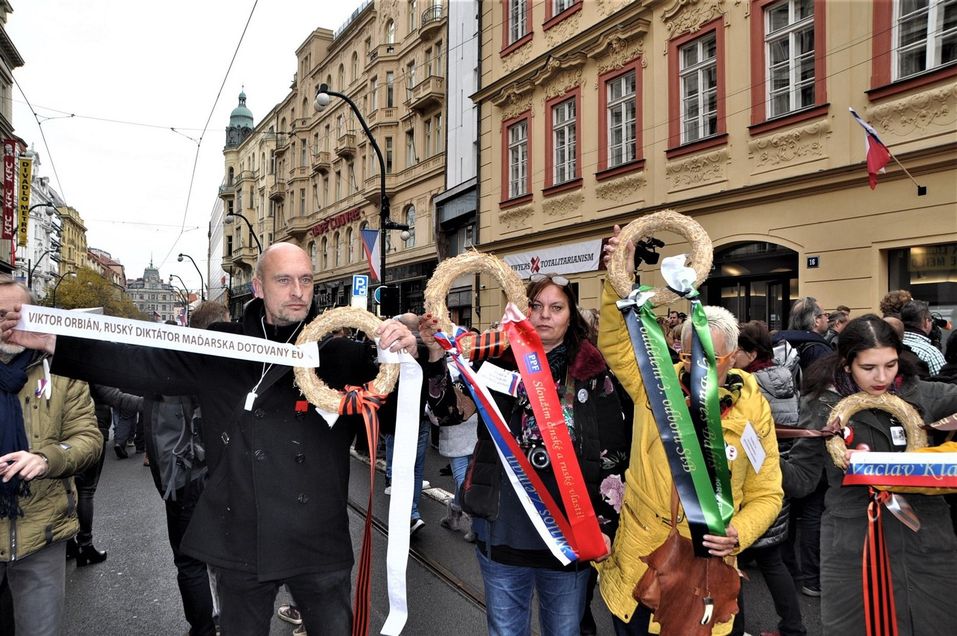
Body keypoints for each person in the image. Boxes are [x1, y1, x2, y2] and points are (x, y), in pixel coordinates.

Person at [0, 243, 416, 636]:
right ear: (258, 287)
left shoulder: (340, 354)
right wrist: (55, 342)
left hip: (318, 542)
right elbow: (140, 364)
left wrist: (414, 357)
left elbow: (393, 417)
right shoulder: (223, 345)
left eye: (306, 280)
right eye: (284, 280)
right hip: (240, 539)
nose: (298, 292)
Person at [421, 272, 633, 636]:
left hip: (570, 526)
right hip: (504, 524)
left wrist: (604, 524)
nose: (545, 315)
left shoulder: (591, 370)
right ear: (522, 310)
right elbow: (447, 414)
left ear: (571, 315)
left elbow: (614, 453)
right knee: (506, 631)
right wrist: (437, 357)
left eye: (556, 307)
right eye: (535, 306)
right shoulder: (495, 361)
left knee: (564, 630)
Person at [596, 228, 783, 635]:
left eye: (711, 356)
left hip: (707, 571)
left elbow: (768, 491)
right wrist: (617, 277)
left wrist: (740, 532)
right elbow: (614, 341)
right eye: (688, 353)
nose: (697, 364)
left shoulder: (754, 408)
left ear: (733, 357)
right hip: (641, 562)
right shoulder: (655, 384)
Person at [781, 315, 957, 634]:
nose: (882, 378)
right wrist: (761, 454)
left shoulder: (925, 395)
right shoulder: (823, 404)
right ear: (848, 364)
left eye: (890, 365)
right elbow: (801, 480)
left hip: (927, 542)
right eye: (869, 368)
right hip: (855, 548)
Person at [0, 276, 103, 636]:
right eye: (1, 315)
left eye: (20, 313)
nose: (11, 323)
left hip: (43, 531)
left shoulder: (61, 371)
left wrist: (47, 459)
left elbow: (89, 438)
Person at [732, 321, 806, 636]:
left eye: (736, 351)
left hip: (753, 482)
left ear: (750, 353)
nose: (729, 357)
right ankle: (793, 627)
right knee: (772, 560)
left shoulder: (748, 386)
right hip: (780, 475)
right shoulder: (785, 376)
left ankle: (735, 627)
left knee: (732, 562)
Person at [772, 295, 832, 597]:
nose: (826, 320)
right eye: (823, 315)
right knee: (811, 507)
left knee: (789, 501)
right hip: (809, 426)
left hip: (782, 428)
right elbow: (822, 391)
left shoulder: (776, 341)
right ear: (814, 319)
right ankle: (811, 576)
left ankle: (790, 568)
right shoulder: (819, 347)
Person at [69, 384, 142, 567]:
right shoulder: (85, 360)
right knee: (86, 489)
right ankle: (84, 545)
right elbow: (113, 396)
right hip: (91, 428)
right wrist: (150, 404)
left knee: (67, 488)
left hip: (64, 432)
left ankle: (69, 543)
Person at [900, 300, 945, 376]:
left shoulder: (893, 347)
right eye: (931, 320)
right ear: (926, 322)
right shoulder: (931, 354)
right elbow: (943, 384)